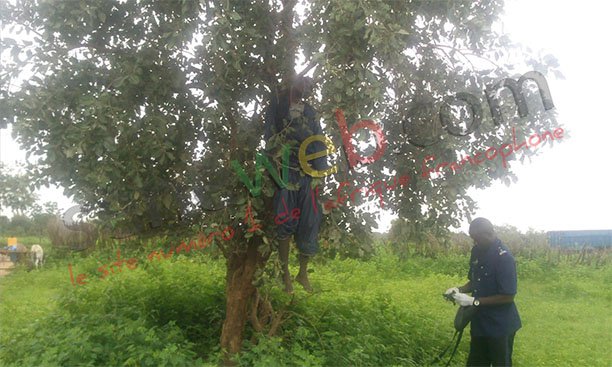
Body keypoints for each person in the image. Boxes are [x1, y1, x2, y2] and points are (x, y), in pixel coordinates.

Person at [264, 75, 328, 293]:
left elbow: (319, 140)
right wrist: (273, 166)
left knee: (310, 219)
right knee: (285, 218)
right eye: (301, 84)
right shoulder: (278, 106)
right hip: (285, 171)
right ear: (292, 85)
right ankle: (285, 275)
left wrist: (321, 172)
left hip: (308, 172)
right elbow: (269, 136)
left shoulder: (311, 112)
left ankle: (302, 273)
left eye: (307, 86)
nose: (304, 89)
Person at [445, 217, 522, 367]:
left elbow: (508, 296)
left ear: (489, 234)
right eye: (473, 239)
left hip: (501, 325)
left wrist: (474, 301)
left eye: (477, 239)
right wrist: (458, 289)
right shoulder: (477, 251)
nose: (475, 243)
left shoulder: (504, 258)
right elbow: (475, 281)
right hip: (480, 322)